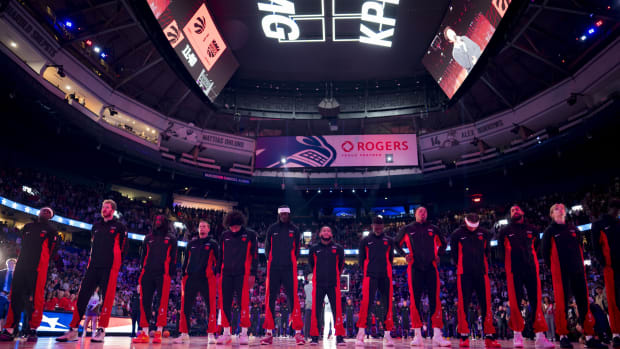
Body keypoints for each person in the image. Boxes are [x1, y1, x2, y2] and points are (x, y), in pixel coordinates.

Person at [56, 200, 127, 343]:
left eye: (107, 207)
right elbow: (93, 246)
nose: (104, 209)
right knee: (82, 295)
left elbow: (123, 248)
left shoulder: (119, 227)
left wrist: (117, 266)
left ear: (112, 210)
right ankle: (73, 330)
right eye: (102, 207)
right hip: (93, 266)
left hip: (110, 267)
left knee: (107, 298)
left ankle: (101, 330)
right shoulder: (95, 226)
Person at [541, 203, 603, 349]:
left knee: (583, 303)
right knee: (561, 304)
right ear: (551, 214)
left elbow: (581, 247)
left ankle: (589, 335)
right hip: (561, 272)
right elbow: (545, 253)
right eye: (556, 208)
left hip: (578, 271)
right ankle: (563, 336)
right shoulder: (549, 231)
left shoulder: (574, 229)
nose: (560, 208)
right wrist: (555, 269)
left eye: (562, 207)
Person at [498, 205, 554, 348]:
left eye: (517, 209)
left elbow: (536, 247)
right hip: (514, 271)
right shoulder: (504, 231)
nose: (515, 211)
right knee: (515, 302)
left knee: (536, 301)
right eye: (512, 210)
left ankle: (540, 336)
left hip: (531, 270)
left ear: (522, 212)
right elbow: (500, 253)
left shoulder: (532, 229)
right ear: (510, 215)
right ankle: (517, 334)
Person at [0, 207, 59, 342]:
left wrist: (43, 263)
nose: (45, 212)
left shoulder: (52, 230)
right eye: (43, 210)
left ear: (51, 216)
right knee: (15, 296)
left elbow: (52, 250)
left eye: (48, 211)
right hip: (21, 266)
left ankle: (32, 330)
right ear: (38, 212)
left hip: (38, 268)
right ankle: (10, 329)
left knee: (36, 299)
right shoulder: (27, 226)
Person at [396, 206, 451, 347]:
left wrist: (439, 254)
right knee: (415, 301)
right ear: (415, 214)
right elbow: (396, 243)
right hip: (415, 268)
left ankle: (437, 335)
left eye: (425, 211)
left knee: (435, 300)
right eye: (420, 211)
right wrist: (404, 255)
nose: (423, 213)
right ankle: (417, 335)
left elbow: (444, 244)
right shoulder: (408, 228)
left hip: (431, 268)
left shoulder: (433, 228)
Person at [450, 213, 501, 348]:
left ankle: (489, 336)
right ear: (466, 222)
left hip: (481, 273)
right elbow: (454, 254)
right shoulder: (457, 234)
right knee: (463, 305)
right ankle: (464, 336)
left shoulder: (484, 233)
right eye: (470, 226)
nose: (472, 228)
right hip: (464, 274)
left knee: (486, 305)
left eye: (475, 226)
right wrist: (462, 265)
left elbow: (487, 251)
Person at [261, 205, 305, 345]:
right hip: (273, 267)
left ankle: (298, 333)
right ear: (279, 215)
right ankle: (269, 332)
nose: (284, 216)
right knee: (270, 298)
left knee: (293, 298)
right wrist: (272, 260)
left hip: (289, 268)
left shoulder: (295, 230)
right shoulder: (272, 229)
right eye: (282, 214)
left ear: (289, 214)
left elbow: (297, 248)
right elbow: (267, 248)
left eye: (287, 214)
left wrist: (289, 260)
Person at [132, 214, 177, 344]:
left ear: (165, 222)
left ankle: (159, 331)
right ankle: (144, 332)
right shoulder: (148, 238)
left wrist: (171, 275)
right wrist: (141, 273)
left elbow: (173, 259)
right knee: (145, 302)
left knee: (161, 303)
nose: (157, 222)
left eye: (160, 220)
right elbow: (142, 257)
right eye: (156, 220)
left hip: (163, 274)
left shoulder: (171, 238)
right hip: (147, 273)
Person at [216, 210, 258, 345]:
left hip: (243, 274)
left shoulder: (250, 235)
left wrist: (253, 274)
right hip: (226, 274)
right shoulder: (224, 235)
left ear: (241, 224)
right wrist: (218, 273)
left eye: (236, 226)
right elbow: (220, 255)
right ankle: (226, 332)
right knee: (225, 303)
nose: (233, 229)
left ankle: (244, 333)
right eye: (231, 227)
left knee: (243, 303)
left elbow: (255, 256)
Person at [174, 220, 218, 344]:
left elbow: (218, 262)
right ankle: (184, 333)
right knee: (185, 307)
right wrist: (183, 274)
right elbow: (186, 261)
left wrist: (214, 274)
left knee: (211, 307)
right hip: (191, 278)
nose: (202, 229)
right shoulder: (191, 243)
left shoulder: (213, 244)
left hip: (206, 279)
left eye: (204, 226)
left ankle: (211, 334)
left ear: (209, 229)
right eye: (200, 227)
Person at [356, 216, 396, 346]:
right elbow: (361, 259)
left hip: (385, 276)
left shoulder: (389, 240)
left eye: (380, 226)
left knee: (387, 304)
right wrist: (368, 271)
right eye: (375, 226)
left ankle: (387, 334)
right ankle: (361, 333)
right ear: (372, 226)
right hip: (370, 275)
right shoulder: (365, 240)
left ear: (383, 226)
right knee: (366, 303)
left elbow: (391, 258)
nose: (378, 228)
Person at [308, 226, 346, 346]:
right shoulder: (314, 248)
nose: (326, 232)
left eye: (328, 230)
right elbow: (311, 264)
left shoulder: (338, 248)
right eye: (324, 230)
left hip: (333, 283)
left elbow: (341, 265)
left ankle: (339, 337)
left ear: (331, 234)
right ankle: (314, 336)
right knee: (316, 311)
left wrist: (334, 276)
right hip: (318, 283)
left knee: (337, 311)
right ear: (320, 234)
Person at [590, 198, 620, 348]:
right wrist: (604, 263)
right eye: (616, 210)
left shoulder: (618, 222)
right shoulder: (599, 224)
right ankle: (616, 334)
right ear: (611, 209)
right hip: (610, 267)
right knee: (614, 300)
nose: (617, 213)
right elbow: (595, 246)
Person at [304, 274, 314, 341]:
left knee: (307, 322)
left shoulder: (305, 286)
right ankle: (314, 336)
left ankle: (306, 336)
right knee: (314, 321)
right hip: (314, 305)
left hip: (308, 305)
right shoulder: (315, 286)